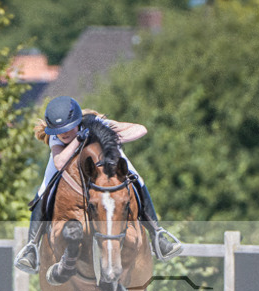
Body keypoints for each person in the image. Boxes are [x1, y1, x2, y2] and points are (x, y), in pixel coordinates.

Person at [14, 96, 182, 273]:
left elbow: (141, 130)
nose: (64, 133)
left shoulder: (95, 122)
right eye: (59, 130)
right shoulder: (57, 137)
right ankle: (31, 247)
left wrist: (110, 137)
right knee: (44, 189)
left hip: (104, 160)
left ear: (77, 121)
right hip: (64, 161)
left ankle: (157, 234)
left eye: (68, 128)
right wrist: (78, 140)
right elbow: (60, 162)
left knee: (135, 176)